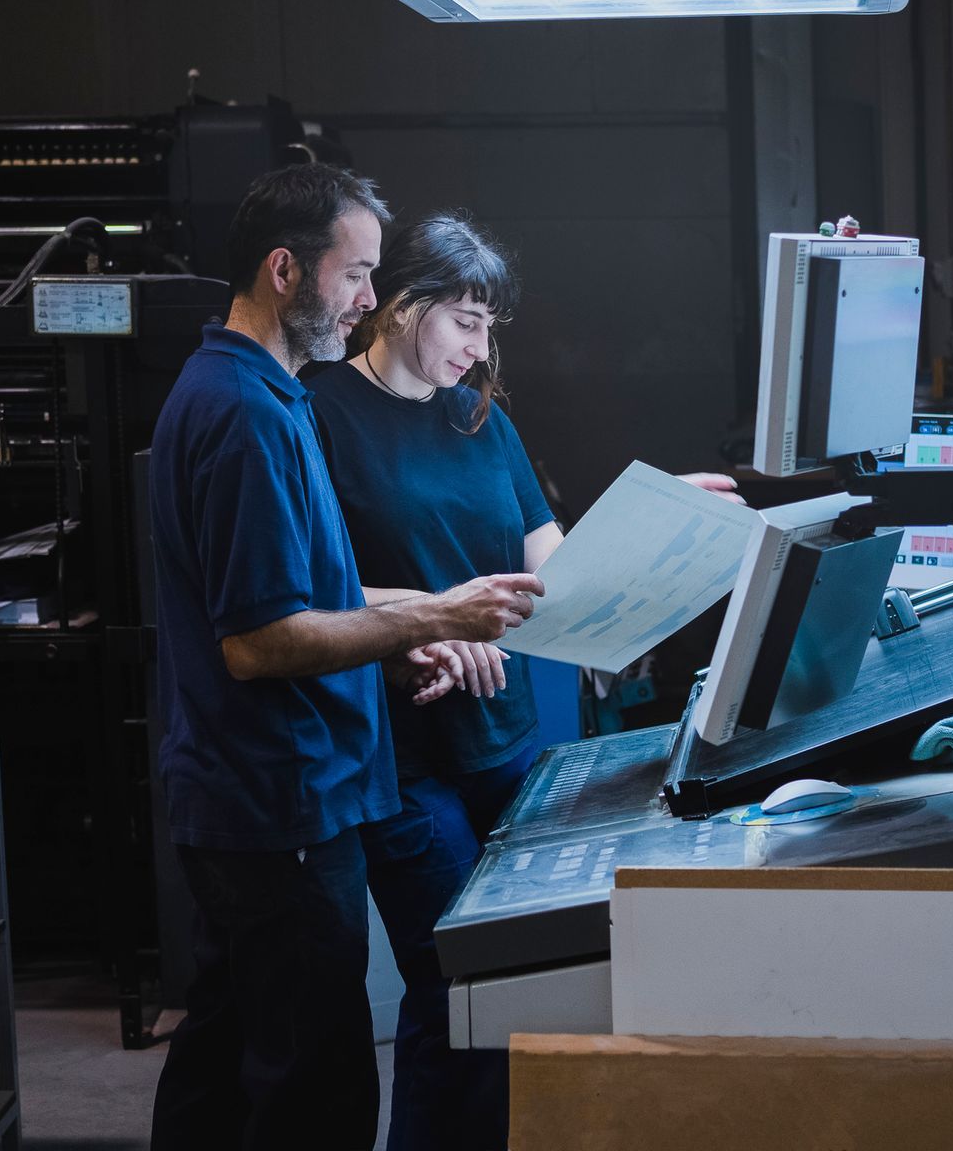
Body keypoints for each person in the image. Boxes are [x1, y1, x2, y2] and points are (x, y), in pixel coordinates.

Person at [308, 212, 741, 1151]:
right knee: (452, 990)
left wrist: (665, 516)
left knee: (526, 990)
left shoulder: (479, 418)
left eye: (490, 325)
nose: (479, 344)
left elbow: (557, 573)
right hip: (400, 753)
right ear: (400, 301)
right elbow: (307, 583)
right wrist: (433, 615)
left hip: (509, 745)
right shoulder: (315, 410)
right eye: (465, 319)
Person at [146, 167, 547, 1151]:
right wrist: (428, 622)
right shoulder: (253, 414)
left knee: (225, 1061)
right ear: (286, 270)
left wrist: (442, 612)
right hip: (281, 797)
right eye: (358, 274)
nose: (370, 298)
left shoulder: (249, 394)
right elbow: (263, 636)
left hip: (272, 795)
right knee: (313, 1092)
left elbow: (319, 589)